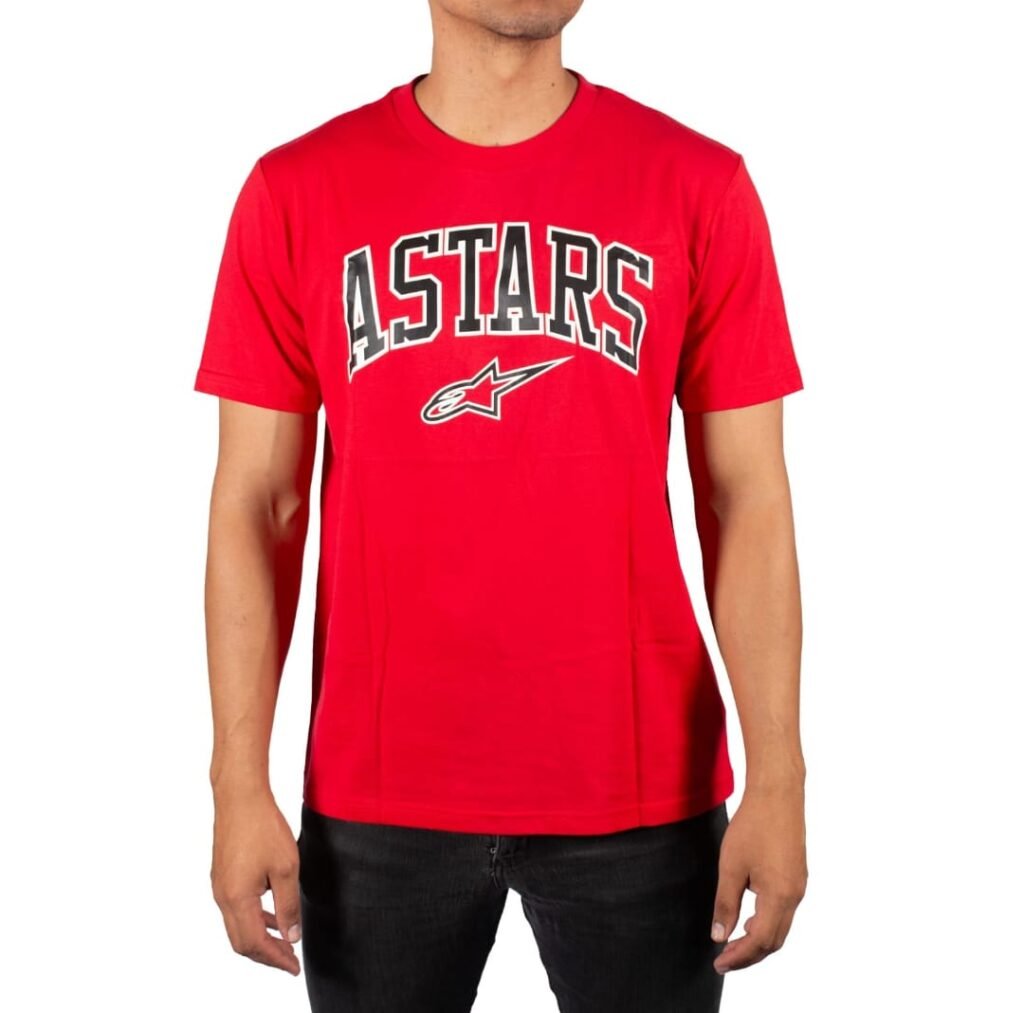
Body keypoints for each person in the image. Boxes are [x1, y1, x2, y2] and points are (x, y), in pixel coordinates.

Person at [193, 1, 808, 1009]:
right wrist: (235, 782)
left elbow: (747, 499)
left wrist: (779, 779)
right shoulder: (296, 190)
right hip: (377, 791)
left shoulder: (699, 183)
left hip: (641, 788)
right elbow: (258, 503)